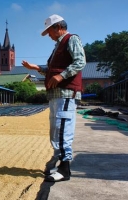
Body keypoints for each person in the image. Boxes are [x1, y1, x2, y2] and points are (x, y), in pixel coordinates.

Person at [22, 14, 86, 182]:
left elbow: (80, 61)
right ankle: (58, 163)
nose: (48, 35)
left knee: (63, 129)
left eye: (49, 31)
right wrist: (37, 68)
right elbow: (53, 69)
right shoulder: (58, 46)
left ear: (58, 27)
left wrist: (61, 76)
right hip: (56, 95)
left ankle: (65, 170)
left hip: (65, 93)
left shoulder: (71, 39)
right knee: (56, 130)